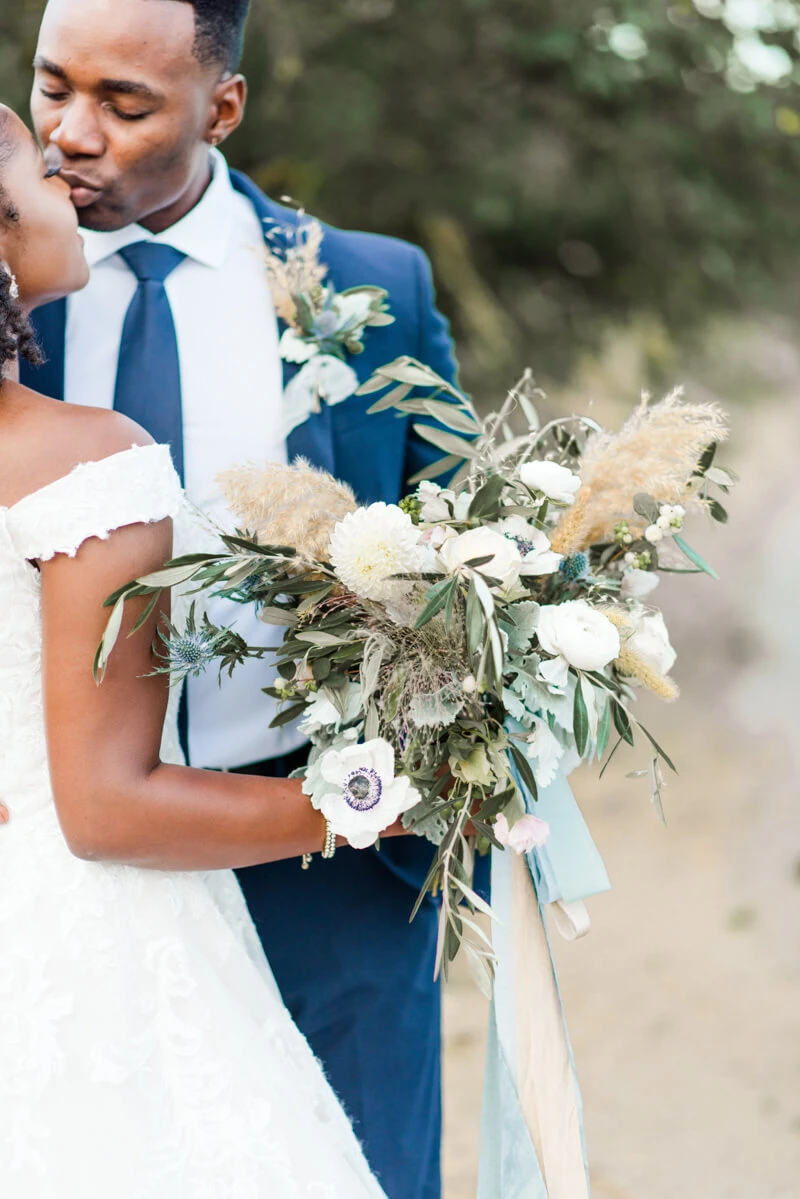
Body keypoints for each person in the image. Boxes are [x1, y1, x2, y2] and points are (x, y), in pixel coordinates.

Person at [23, 2, 461, 1196]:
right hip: (66, 883)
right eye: (52, 86)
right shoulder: (14, 280)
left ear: (222, 107)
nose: (69, 133)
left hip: (324, 854)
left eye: (125, 104)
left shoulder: (374, 288)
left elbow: (470, 556)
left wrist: (441, 758)